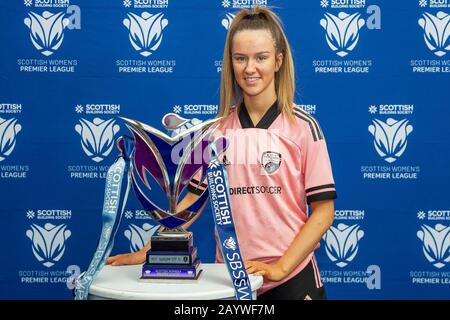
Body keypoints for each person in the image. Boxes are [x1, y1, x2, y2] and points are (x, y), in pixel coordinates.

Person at [107, 7, 337, 300]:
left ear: (278, 61)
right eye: (240, 58)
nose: (250, 68)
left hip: (292, 279)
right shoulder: (216, 132)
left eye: (261, 58)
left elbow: (324, 211)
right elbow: (193, 200)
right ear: (230, 63)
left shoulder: (303, 127)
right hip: (233, 279)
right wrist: (149, 250)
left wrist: (280, 267)